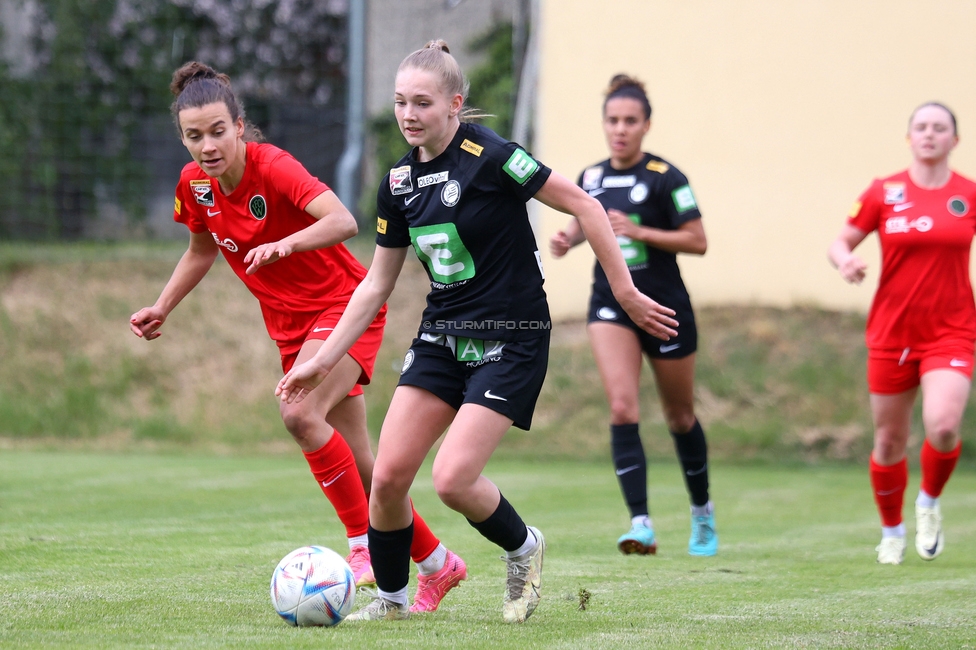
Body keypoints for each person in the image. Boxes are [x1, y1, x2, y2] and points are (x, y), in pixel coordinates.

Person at [276, 42, 678, 623]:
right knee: (387, 478)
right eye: (399, 103)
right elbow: (374, 287)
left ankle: (523, 547)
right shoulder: (398, 183)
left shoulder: (493, 157)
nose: (409, 114)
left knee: (452, 479)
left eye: (422, 102)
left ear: (454, 104)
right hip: (442, 334)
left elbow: (586, 207)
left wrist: (627, 294)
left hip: (511, 334)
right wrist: (322, 360)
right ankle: (392, 604)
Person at [129, 61, 466, 612]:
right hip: (289, 327)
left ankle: (360, 543)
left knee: (298, 414)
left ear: (240, 126)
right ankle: (436, 562)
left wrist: (285, 245)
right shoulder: (194, 186)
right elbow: (200, 249)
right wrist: (162, 307)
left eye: (218, 131)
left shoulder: (274, 166)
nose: (208, 145)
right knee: (366, 466)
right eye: (194, 136)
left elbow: (342, 221)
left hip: (343, 307)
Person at [549, 74, 716, 557]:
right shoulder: (591, 178)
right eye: (612, 120)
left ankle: (702, 512)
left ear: (646, 125)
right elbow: (587, 222)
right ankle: (640, 524)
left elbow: (698, 240)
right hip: (610, 304)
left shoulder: (667, 177)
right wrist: (569, 237)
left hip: (665, 307)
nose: (619, 129)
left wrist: (642, 233)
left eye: (630, 121)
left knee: (680, 416)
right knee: (622, 407)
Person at [828, 102, 976, 565]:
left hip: (951, 331)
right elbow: (840, 241)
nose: (930, 134)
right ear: (909, 138)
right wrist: (845, 261)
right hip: (892, 332)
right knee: (889, 441)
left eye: (940, 128)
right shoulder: (883, 191)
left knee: (945, 426)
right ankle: (891, 531)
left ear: (955, 140)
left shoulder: (969, 194)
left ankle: (928, 502)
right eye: (921, 127)